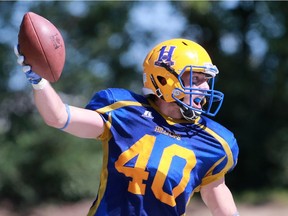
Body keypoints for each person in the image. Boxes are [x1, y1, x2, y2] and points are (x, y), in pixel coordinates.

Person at [14, 38, 239, 216]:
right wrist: (39, 81)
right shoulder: (125, 110)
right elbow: (59, 117)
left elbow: (219, 201)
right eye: (196, 79)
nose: (205, 87)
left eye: (206, 79)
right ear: (164, 79)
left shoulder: (214, 141)